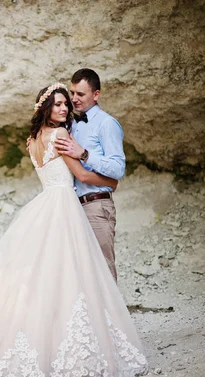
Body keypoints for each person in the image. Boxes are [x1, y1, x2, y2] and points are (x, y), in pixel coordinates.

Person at [0, 84, 147, 377]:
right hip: (63, 207)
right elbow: (82, 176)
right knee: (72, 277)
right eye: (57, 105)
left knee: (41, 280)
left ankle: (38, 340)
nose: (63, 109)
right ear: (46, 108)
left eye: (64, 105)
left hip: (43, 205)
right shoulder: (59, 137)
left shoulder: (32, 141)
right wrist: (111, 181)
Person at [53, 68, 125, 281]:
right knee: (77, 270)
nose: (74, 99)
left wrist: (84, 154)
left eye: (80, 94)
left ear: (96, 94)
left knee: (102, 268)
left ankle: (112, 315)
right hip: (71, 206)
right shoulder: (70, 123)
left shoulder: (106, 124)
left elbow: (118, 169)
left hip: (96, 206)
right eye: (72, 93)